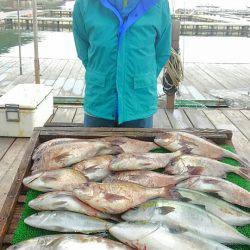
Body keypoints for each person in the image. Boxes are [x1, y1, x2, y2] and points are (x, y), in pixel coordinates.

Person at [73, 0, 172, 128]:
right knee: (94, 147)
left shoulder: (159, 3)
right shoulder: (84, 3)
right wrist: (99, 74)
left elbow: (162, 51)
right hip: (99, 103)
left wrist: (144, 79)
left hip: (139, 104)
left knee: (139, 148)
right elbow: (83, 48)